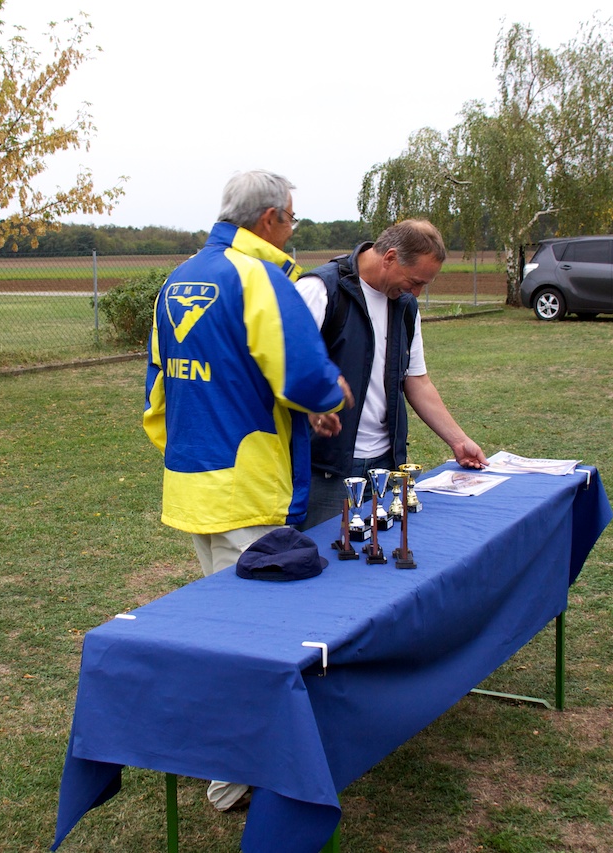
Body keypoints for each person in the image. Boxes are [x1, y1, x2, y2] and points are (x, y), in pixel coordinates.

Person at [143, 170, 352, 810]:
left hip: (192, 482)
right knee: (256, 641)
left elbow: (159, 386)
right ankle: (232, 781)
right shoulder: (261, 276)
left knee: (222, 625)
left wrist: (190, 447)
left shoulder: (178, 279)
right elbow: (302, 372)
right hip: (249, 488)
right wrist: (329, 396)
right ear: (269, 220)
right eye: (292, 218)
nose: (293, 230)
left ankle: (225, 763)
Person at [295, 219, 488, 528]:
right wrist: (311, 403)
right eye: (415, 281)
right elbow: (280, 364)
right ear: (390, 257)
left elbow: (417, 380)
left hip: (387, 465)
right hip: (325, 471)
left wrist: (458, 440)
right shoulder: (319, 290)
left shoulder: (405, 305)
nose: (417, 292)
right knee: (327, 554)